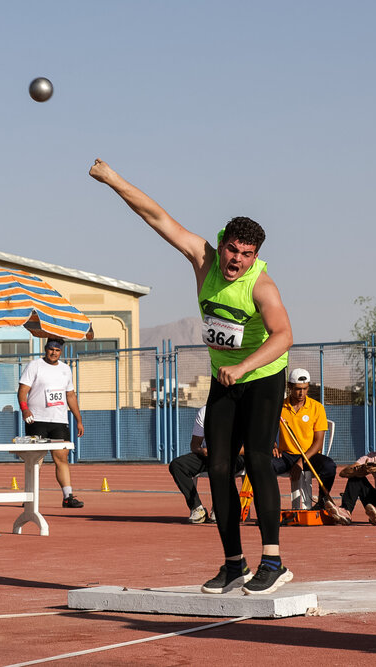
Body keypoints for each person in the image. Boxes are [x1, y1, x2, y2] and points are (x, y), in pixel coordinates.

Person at [91, 159, 294, 595]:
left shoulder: (261, 286)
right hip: (226, 378)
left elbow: (284, 335)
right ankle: (233, 563)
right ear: (221, 244)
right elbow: (156, 216)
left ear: (256, 256)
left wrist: (243, 366)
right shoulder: (203, 260)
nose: (237, 260)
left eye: (247, 254)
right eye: (232, 250)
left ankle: (273, 560)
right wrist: (112, 179)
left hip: (262, 376)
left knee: (258, 459)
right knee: (217, 466)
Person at [18, 339, 86, 508]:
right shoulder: (35, 366)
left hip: (59, 421)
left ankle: (67, 496)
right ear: (45, 349)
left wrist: (79, 420)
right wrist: (25, 410)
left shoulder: (65, 369)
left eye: (57, 350)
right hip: (37, 420)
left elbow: (70, 395)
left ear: (61, 352)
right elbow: (22, 391)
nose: (54, 352)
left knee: (62, 458)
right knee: (36, 459)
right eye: (51, 349)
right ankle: (30, 497)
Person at [168, 405, 245, 524]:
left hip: (234, 456)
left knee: (222, 465)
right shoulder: (205, 411)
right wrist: (202, 451)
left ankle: (219, 507)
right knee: (177, 465)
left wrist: (224, 451)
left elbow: (249, 447)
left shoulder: (242, 410)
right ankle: (197, 508)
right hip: (209, 455)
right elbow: (194, 445)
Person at [273, 368, 337, 510]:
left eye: (305, 388)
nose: (301, 393)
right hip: (286, 456)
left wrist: (301, 462)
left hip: (309, 456)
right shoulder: (279, 406)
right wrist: (273, 444)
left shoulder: (317, 408)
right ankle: (271, 507)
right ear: (289, 386)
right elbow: (267, 430)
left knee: (329, 466)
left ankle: (322, 502)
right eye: (297, 389)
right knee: (264, 467)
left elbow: (318, 442)